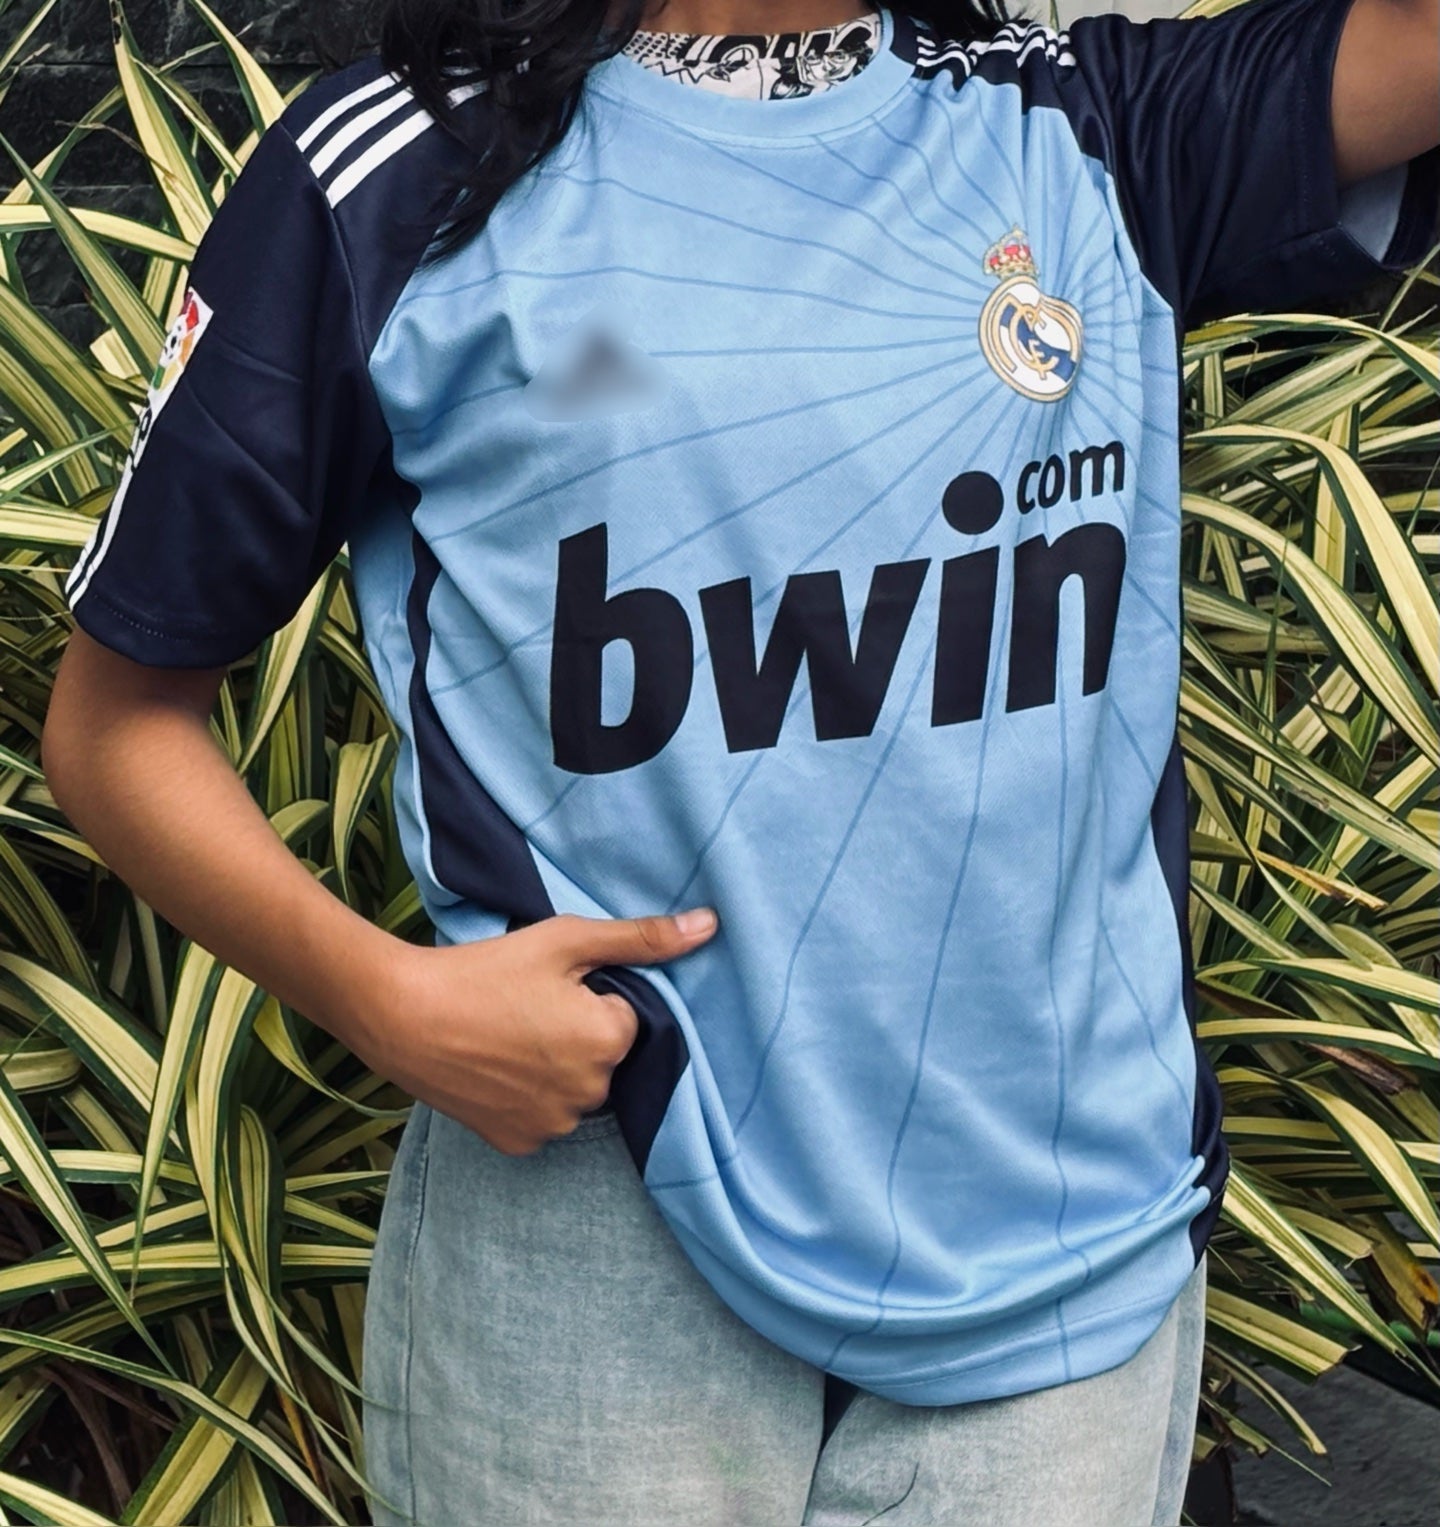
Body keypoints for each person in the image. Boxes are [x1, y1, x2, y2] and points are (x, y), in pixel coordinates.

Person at [42, 0, 1438, 1522]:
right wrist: (385, 999)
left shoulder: (1101, 131)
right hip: (594, 1224)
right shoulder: (395, 173)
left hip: (1069, 1276)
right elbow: (116, 727)